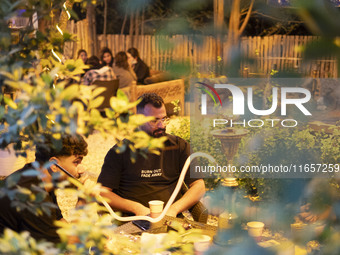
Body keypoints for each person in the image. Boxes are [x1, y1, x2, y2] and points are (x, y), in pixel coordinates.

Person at [98, 93, 205, 217]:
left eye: (164, 119)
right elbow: (103, 193)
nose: (161, 125)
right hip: (132, 220)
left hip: (170, 218)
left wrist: (174, 209)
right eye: (154, 120)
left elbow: (199, 186)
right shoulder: (120, 152)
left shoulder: (179, 146)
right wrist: (136, 208)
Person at [0, 133, 88, 243]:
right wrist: (82, 201)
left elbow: (60, 225)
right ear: (54, 165)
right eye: (76, 162)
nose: (81, 170)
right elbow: (68, 243)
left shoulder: (39, 177)